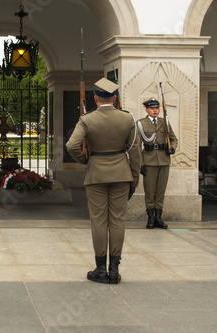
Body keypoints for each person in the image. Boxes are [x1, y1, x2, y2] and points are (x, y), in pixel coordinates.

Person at [66, 78, 141, 284]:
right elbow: (135, 152)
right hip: (121, 175)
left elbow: (72, 145)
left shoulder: (87, 120)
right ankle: (114, 270)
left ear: (96, 98)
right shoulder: (128, 119)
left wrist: (86, 160)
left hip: (96, 174)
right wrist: (134, 179)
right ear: (115, 98)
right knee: (117, 221)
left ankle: (100, 269)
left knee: (99, 220)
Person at [137, 98, 178, 229]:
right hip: (148, 160)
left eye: (156, 108)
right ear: (147, 110)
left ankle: (158, 218)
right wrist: (140, 163)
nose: (155, 110)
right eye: (152, 108)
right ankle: (150, 218)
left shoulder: (164, 122)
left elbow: (173, 138)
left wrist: (172, 147)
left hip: (164, 160)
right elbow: (137, 145)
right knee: (150, 191)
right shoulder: (141, 124)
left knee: (161, 190)